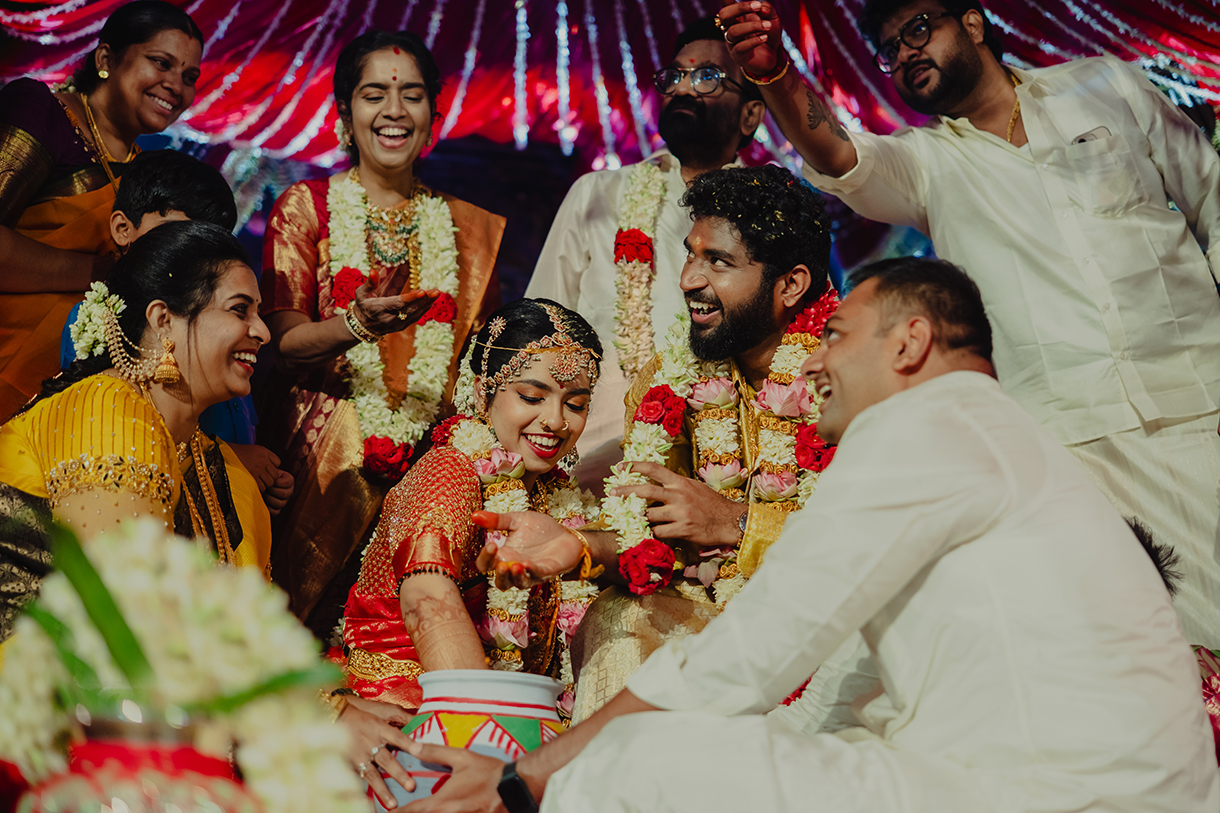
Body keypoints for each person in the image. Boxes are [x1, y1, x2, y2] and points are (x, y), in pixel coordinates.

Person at [409, 257, 1219, 813]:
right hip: (1049, 781)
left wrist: (524, 782)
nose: (815, 362)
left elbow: (749, 652)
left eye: (838, 334)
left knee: (644, 761)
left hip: (1058, 792)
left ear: (909, 343)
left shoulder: (927, 427)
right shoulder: (984, 433)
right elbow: (841, 685)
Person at [715, 0, 1220, 650]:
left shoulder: (1105, 86)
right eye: (890, 50)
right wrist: (776, 74)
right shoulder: (927, 164)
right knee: (1159, 654)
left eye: (918, 30)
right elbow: (839, 153)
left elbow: (1210, 197)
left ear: (974, 23)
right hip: (1076, 447)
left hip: (1202, 400)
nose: (905, 54)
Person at [529, 165, 837, 721]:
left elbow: (881, 544)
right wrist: (578, 546)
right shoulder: (669, 381)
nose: (689, 280)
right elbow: (644, 535)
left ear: (791, 285)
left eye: (718, 261)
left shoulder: (852, 383)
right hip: (711, 615)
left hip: (830, 628)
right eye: (690, 255)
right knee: (621, 619)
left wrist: (735, 522)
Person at [259, 30, 505, 638]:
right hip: (319, 471)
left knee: (402, 645)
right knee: (297, 643)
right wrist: (356, 325)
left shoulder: (468, 230)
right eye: (374, 95)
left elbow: (483, 370)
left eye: (412, 95)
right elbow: (282, 346)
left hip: (429, 476)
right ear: (346, 114)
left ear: (432, 116)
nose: (394, 111)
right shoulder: (306, 207)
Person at [0, 220, 274, 641]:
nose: (263, 332)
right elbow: (125, 618)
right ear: (163, 320)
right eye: (240, 310)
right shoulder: (106, 408)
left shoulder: (226, 472)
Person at [525, 16, 764, 488]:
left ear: (750, 115)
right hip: (592, 461)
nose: (683, 89)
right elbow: (537, 329)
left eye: (708, 77)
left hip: (728, 464)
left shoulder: (771, 213)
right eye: (674, 76)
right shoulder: (598, 195)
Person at [340, 298, 602, 729]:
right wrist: (487, 730)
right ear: (482, 392)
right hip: (412, 710)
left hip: (516, 710)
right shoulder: (449, 471)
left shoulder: (554, 496)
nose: (555, 421)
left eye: (575, 404)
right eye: (532, 397)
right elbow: (428, 598)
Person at [57, 149, 294, 515]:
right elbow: (112, 438)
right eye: (181, 234)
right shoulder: (96, 321)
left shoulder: (217, 329)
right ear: (123, 229)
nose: (194, 254)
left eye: (208, 240)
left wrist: (254, 485)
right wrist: (229, 460)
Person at [0, 0, 203, 423]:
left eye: (189, 77)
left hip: (78, 398)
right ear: (106, 59)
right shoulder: (43, 113)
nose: (175, 86)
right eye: (160, 63)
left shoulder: (146, 173)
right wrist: (101, 272)